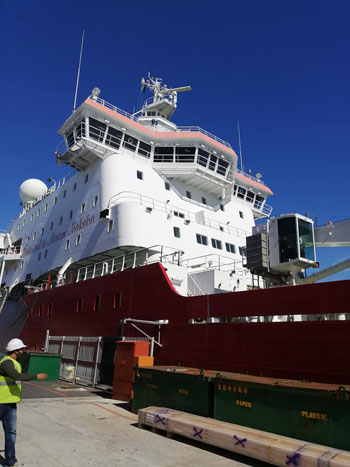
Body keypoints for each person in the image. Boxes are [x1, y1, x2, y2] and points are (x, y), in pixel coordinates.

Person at [0, 338, 47, 467]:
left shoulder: (14, 362)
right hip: (1, 403)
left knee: (11, 432)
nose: (23, 351)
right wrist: (37, 376)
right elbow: (17, 376)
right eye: (21, 349)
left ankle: (10, 460)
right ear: (16, 351)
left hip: (11, 403)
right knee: (10, 432)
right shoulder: (6, 363)